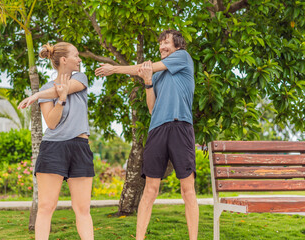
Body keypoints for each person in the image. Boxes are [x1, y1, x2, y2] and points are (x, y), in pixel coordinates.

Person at [95, 29, 199, 240]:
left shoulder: (182, 57)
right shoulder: (158, 73)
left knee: (187, 189)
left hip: (180, 127)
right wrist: (148, 81)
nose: (162, 47)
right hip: (157, 129)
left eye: (166, 43)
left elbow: (144, 67)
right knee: (150, 189)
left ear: (177, 45)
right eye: (160, 44)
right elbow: (152, 108)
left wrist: (114, 69)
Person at [18, 42, 94, 240]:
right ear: (64, 60)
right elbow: (51, 123)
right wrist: (59, 101)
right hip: (53, 148)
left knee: (83, 209)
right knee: (45, 207)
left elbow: (63, 88)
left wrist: (37, 95)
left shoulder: (80, 78)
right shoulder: (46, 88)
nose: (79, 60)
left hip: (79, 146)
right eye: (76, 55)